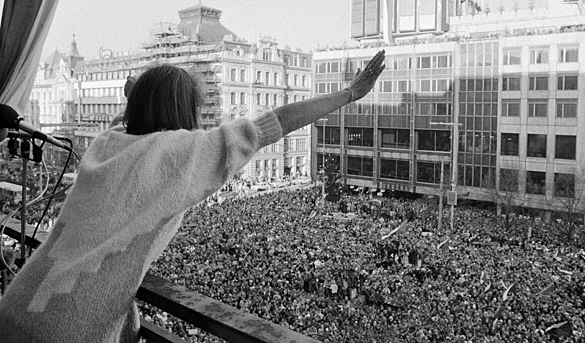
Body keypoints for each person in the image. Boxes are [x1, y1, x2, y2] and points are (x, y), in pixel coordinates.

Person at [0, 50, 385, 342]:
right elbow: (279, 121)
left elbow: (125, 122)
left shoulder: (104, 145)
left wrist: (136, 95)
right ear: (185, 110)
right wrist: (350, 93)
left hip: (17, 303)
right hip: (68, 328)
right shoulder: (182, 154)